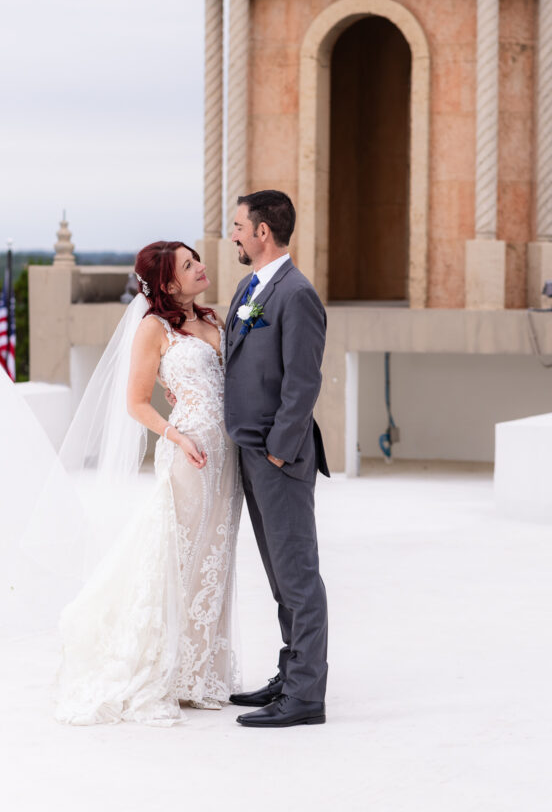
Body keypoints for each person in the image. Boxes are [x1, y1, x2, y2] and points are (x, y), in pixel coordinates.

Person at [55, 241, 242, 726]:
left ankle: (201, 675)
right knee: (180, 558)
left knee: (215, 558)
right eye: (188, 264)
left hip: (228, 458)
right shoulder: (152, 329)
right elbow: (136, 402)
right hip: (188, 453)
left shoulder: (215, 318)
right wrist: (176, 435)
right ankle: (169, 668)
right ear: (166, 283)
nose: (201, 267)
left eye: (196, 259)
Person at [224, 190, 330, 728]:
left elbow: (303, 382)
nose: (234, 234)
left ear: (263, 231)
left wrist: (278, 452)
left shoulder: (297, 294)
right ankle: (291, 673)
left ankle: (306, 695)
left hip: (278, 459)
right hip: (251, 453)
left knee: (298, 575)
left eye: (239, 225)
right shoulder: (250, 287)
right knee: (277, 574)